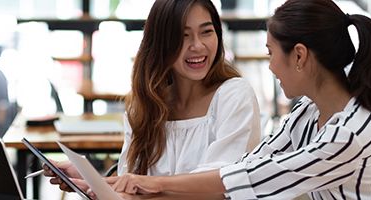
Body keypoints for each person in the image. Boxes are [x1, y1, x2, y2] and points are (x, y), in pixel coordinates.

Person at [107, 0, 371, 199]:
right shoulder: (308, 115)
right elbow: (250, 163)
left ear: (299, 56)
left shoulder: (351, 132)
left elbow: (259, 178)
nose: (270, 66)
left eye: (271, 53)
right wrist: (118, 183)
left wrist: (156, 185)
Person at [44, 0, 262, 193]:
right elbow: (133, 184)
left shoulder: (233, 95)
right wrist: (93, 180)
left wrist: (137, 186)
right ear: (160, 43)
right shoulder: (146, 105)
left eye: (206, 31)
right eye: (183, 36)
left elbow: (220, 187)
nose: (197, 45)